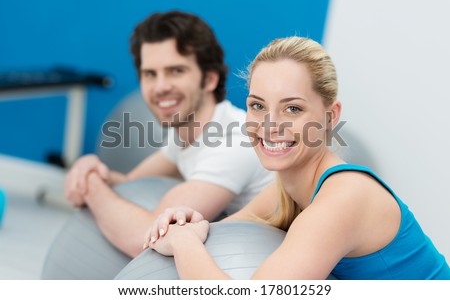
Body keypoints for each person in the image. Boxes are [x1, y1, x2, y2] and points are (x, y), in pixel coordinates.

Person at [144, 36, 450, 279]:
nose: (270, 125)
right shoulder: (284, 190)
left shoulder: (344, 198)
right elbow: (222, 233)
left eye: (293, 109)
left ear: (330, 117)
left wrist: (183, 244)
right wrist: (189, 222)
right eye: (258, 106)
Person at [64, 11, 274, 258]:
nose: (161, 86)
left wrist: (90, 186)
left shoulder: (232, 141)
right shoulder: (186, 135)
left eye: (176, 71)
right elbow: (130, 183)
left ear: (208, 79)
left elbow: (145, 236)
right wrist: (90, 169)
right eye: (150, 74)